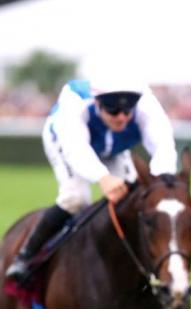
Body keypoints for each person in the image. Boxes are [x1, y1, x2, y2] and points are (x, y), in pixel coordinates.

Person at [5, 77, 178, 282]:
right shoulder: (75, 104)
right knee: (76, 198)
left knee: (133, 201)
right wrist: (102, 177)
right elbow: (76, 150)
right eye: (113, 110)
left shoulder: (146, 105)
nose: (122, 117)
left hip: (115, 147)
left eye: (127, 111)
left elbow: (164, 146)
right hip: (67, 143)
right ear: (97, 103)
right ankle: (26, 256)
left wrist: (163, 180)